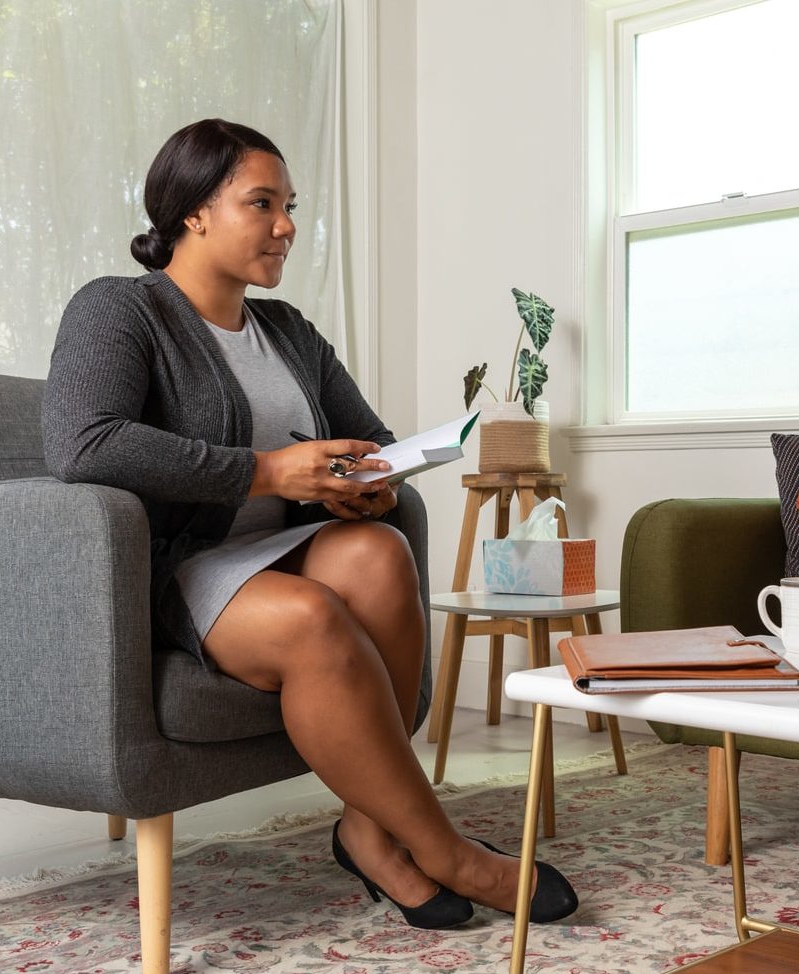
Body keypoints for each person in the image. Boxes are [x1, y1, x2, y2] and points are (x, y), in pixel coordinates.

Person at [42, 118, 576, 931]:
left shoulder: (287, 330)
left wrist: (367, 486)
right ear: (192, 211)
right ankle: (448, 852)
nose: (286, 225)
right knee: (313, 618)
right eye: (262, 203)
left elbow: (376, 443)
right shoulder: (121, 309)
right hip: (179, 565)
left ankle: (367, 831)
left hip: (283, 547)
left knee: (378, 551)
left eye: (290, 205)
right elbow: (84, 443)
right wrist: (264, 471)